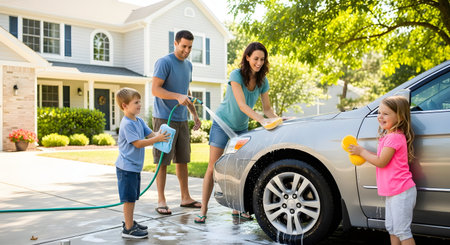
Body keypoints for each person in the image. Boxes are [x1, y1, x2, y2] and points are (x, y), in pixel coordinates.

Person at [194, 42, 280, 223]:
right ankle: (203, 209)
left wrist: (279, 119)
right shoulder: (236, 75)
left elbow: (267, 109)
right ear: (247, 57)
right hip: (222, 124)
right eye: (255, 58)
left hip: (241, 128)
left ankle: (237, 209)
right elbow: (242, 105)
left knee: (238, 169)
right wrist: (261, 120)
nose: (259, 62)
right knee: (212, 167)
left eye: (262, 59)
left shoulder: (262, 81)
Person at [349, 96, 416, 245]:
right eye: (379, 113)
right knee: (392, 229)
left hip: (401, 191)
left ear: (399, 117)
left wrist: (361, 152)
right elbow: (381, 158)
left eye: (386, 113)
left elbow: (381, 162)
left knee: (402, 231)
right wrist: (363, 153)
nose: (380, 116)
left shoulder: (395, 138)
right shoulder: (389, 137)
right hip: (393, 191)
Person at [152, 30, 202, 215]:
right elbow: (155, 90)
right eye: (183, 46)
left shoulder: (188, 65)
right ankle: (161, 200)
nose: (187, 50)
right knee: (163, 160)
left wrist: (194, 114)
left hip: (182, 118)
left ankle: (185, 197)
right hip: (164, 117)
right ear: (175, 43)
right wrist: (177, 96)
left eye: (190, 47)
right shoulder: (164, 62)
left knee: (183, 159)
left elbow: (185, 91)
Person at [115, 87, 170, 239]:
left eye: (139, 101)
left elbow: (152, 134)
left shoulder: (138, 121)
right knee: (129, 199)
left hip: (133, 167)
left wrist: (163, 134)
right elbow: (138, 143)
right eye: (136, 102)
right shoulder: (127, 124)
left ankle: (130, 222)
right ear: (124, 106)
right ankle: (128, 229)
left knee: (132, 197)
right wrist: (156, 139)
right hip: (126, 168)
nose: (139, 105)